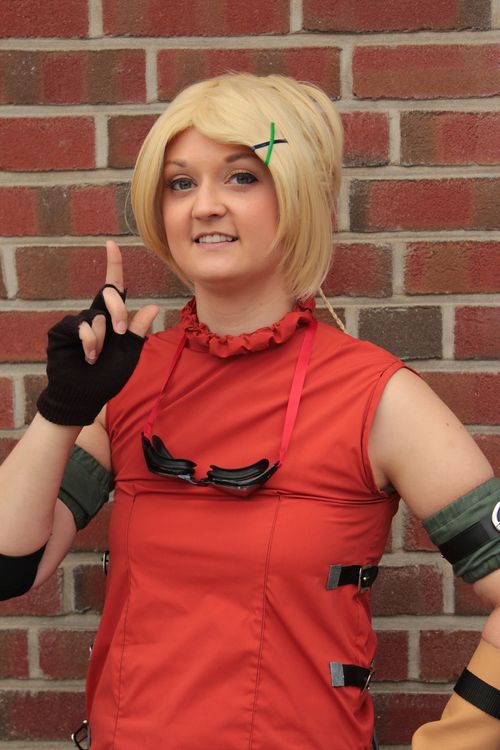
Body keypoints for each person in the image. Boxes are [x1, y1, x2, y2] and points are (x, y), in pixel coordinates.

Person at [0, 73, 499, 750]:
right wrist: (64, 408)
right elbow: (10, 568)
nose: (205, 206)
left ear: (297, 195)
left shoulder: (379, 397)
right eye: (181, 183)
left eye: (241, 177)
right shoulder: (128, 381)